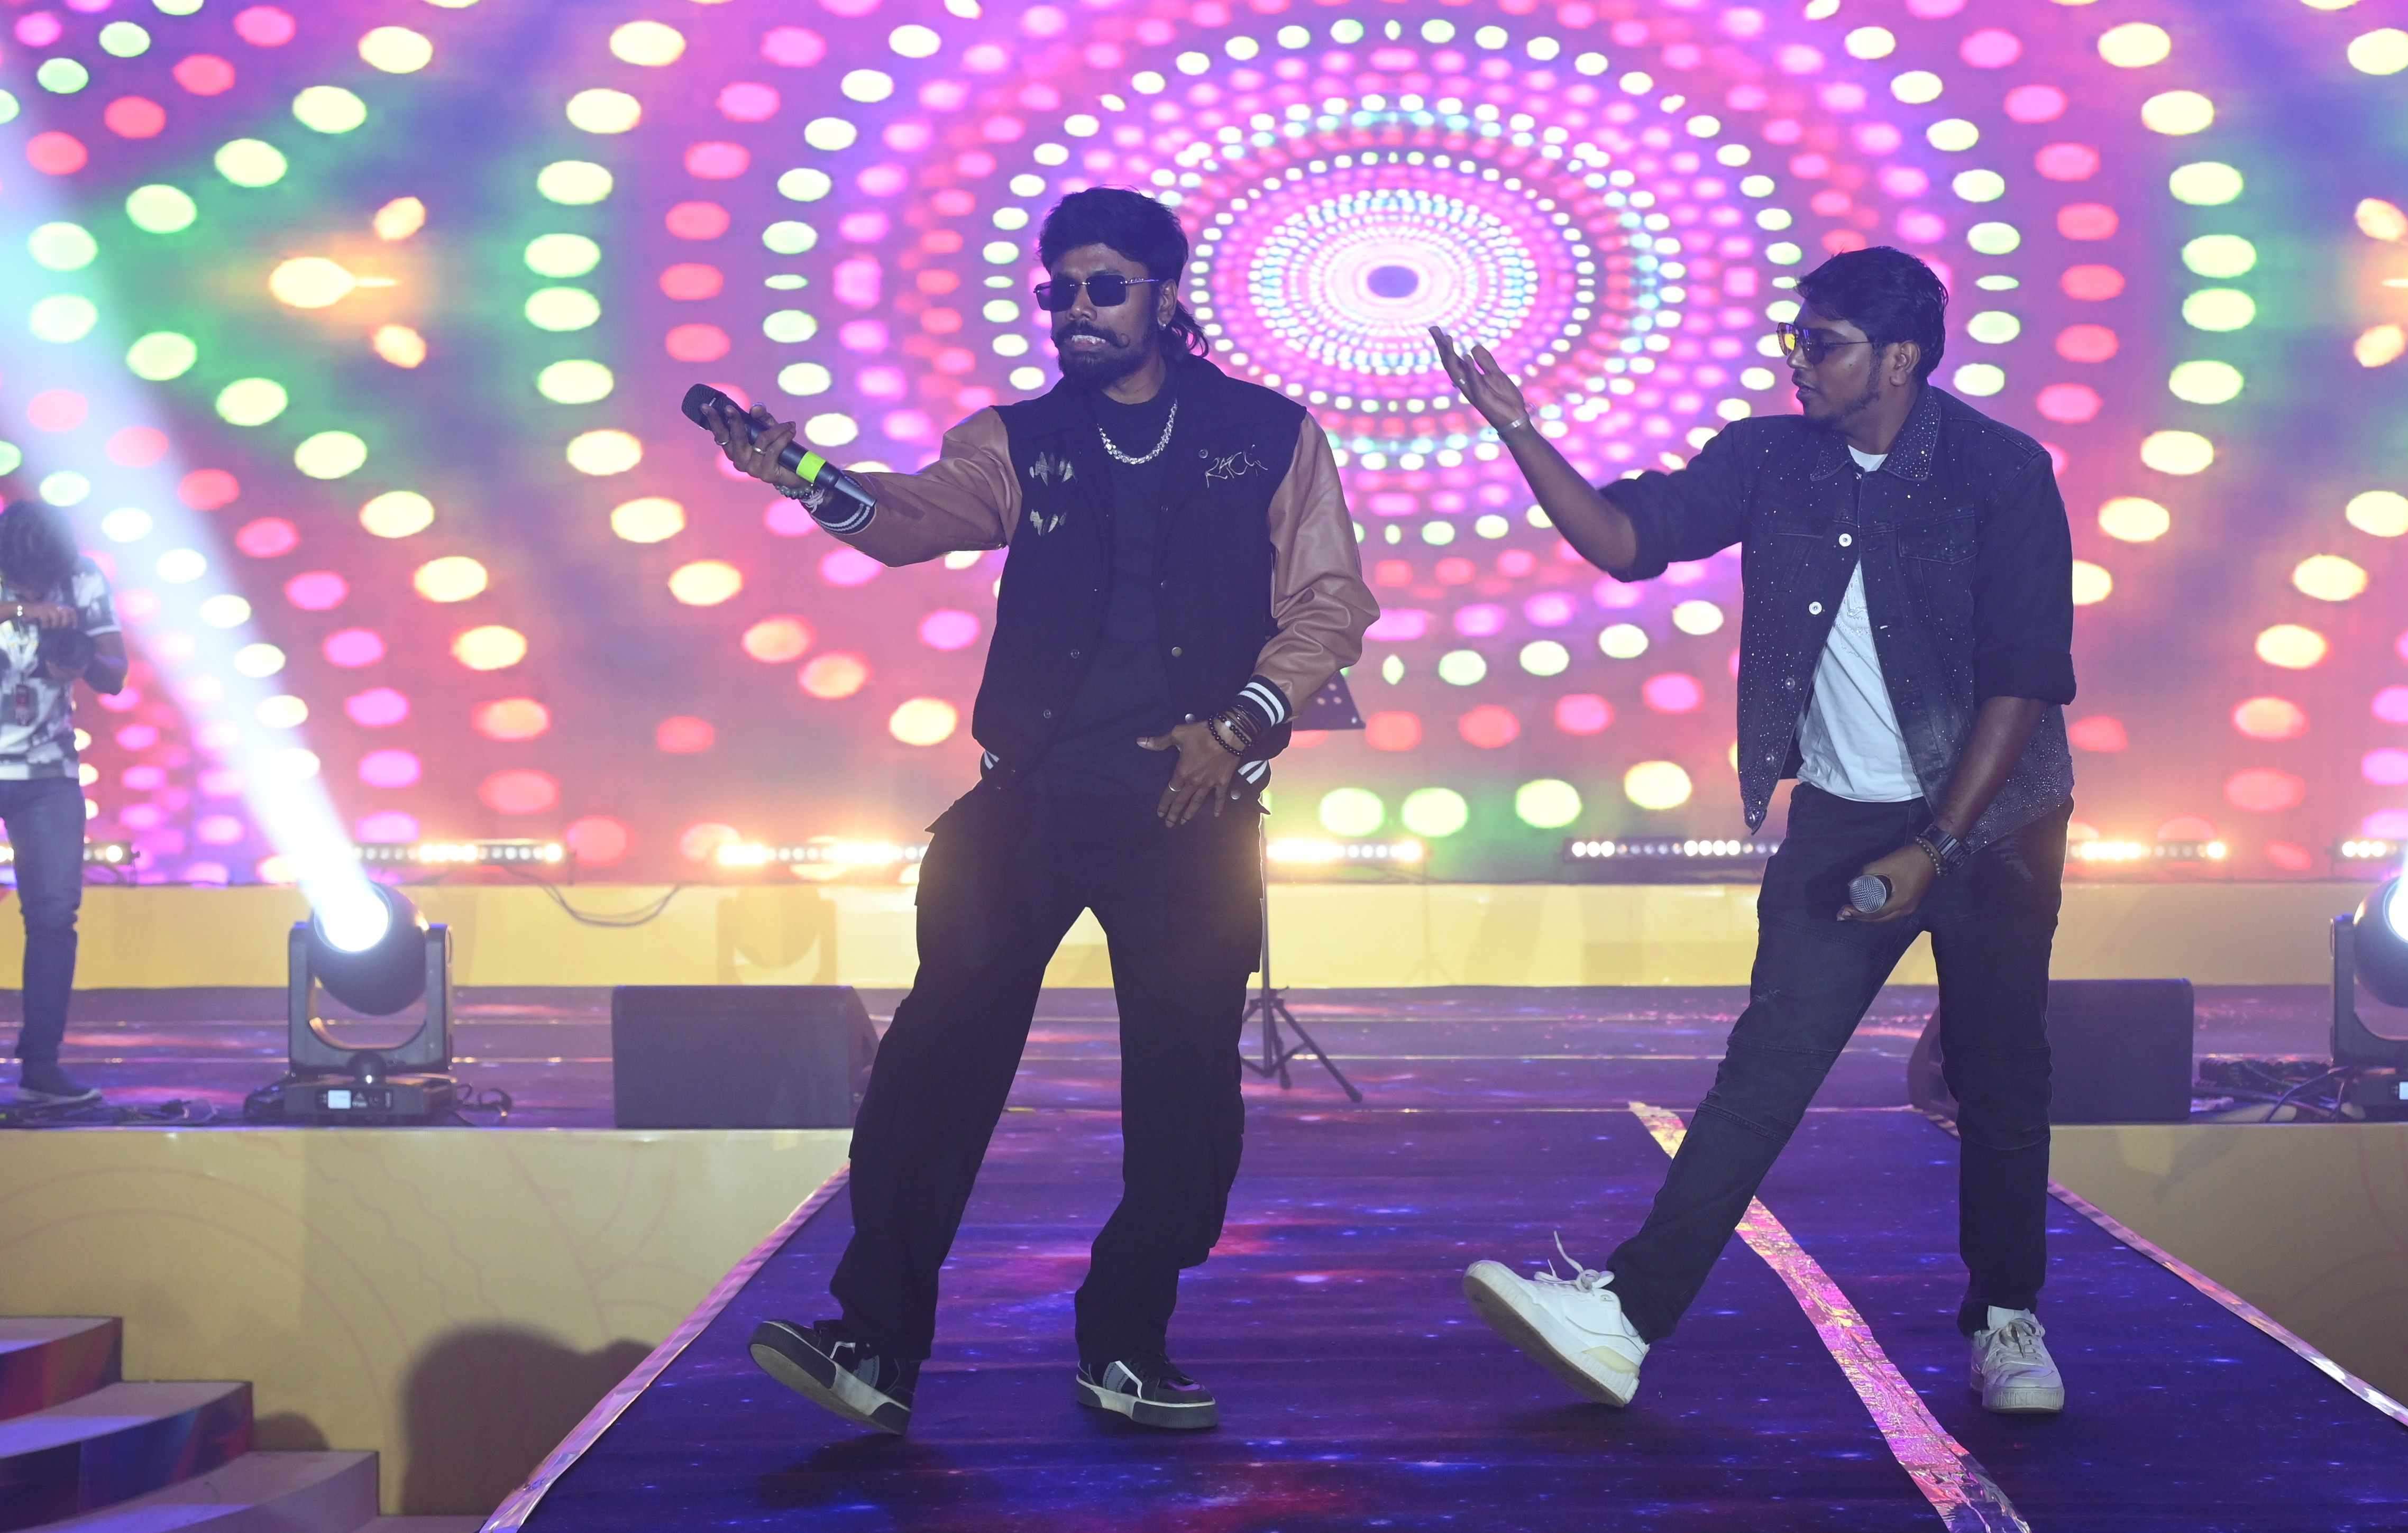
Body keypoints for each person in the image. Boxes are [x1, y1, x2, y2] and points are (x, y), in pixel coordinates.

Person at [715, 188, 1377, 1436]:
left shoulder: (1269, 435)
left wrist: (1237, 725)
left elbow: (1328, 603)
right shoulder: (1019, 439)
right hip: (1027, 799)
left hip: (1191, 807)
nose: (1075, 309)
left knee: (1185, 1094)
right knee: (931, 1063)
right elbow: (908, 522)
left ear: (1163, 298)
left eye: (1102, 287)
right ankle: (874, 1339)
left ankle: (1126, 1339)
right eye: (1057, 290)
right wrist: (804, 475)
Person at [1436, 246, 2079, 1416]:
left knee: (1998, 1077)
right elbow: (1624, 540)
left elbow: (2023, 678)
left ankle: (2006, 1322)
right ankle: (1625, 1320)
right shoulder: (1769, 457)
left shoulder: (1998, 469)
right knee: (1762, 1074)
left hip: (1992, 827)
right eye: (1794, 338)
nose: (1797, 361)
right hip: (1840, 819)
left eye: (1820, 344)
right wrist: (1518, 427)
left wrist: (1936, 844)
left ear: (1898, 358)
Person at [0, 499, 127, 1106]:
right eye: (22, 581)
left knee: (53, 916)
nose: (35, 588)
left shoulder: (82, 578)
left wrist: (78, 656)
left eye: (42, 581)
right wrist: (24, 611)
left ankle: (41, 1064)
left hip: (48, 773)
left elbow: (114, 673)